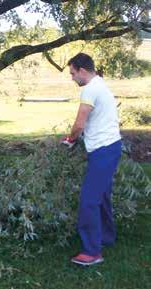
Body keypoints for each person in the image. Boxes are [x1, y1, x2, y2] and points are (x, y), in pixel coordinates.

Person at [61, 53, 122, 266]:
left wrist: (70, 139)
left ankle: (92, 252)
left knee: (89, 200)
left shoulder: (89, 89)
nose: (72, 78)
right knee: (102, 196)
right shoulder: (100, 84)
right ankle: (106, 237)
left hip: (104, 151)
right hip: (111, 147)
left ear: (82, 71)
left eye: (72, 73)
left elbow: (79, 123)